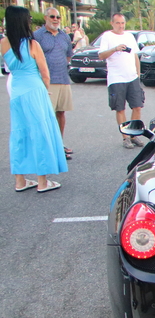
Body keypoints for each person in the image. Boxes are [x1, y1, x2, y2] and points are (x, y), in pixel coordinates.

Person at [1, 6, 68, 193]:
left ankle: (20, 181)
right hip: (34, 90)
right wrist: (43, 90)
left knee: (19, 134)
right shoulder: (32, 44)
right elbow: (45, 74)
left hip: (16, 91)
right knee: (40, 132)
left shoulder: (4, 43)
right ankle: (42, 181)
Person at [98, 13, 145, 149]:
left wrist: (138, 73)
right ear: (112, 23)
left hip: (132, 77)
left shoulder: (129, 36)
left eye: (123, 23)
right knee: (120, 108)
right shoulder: (107, 36)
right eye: (118, 23)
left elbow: (135, 56)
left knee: (137, 106)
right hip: (116, 78)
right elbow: (101, 55)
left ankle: (134, 134)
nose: (121, 26)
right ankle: (125, 137)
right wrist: (115, 49)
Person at [34, 7, 74, 160]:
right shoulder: (37, 36)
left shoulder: (64, 36)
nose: (56, 19)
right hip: (46, 82)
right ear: (46, 18)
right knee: (46, 115)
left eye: (58, 17)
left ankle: (59, 144)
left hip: (63, 80)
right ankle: (46, 147)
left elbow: (68, 56)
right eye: (52, 16)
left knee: (61, 113)